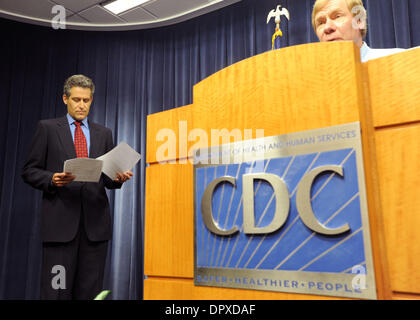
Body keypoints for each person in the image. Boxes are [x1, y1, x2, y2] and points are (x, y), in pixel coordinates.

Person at [22, 74, 133, 300]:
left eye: (86, 100)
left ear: (92, 100)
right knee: (56, 291)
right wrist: (52, 179)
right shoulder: (48, 128)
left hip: (95, 228)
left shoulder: (104, 133)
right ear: (65, 99)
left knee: (90, 293)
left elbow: (107, 178)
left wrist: (118, 178)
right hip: (60, 229)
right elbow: (29, 171)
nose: (81, 105)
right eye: (76, 100)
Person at [312, 0, 407, 62]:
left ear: (359, 21)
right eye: (321, 23)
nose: (327, 27)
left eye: (337, 16)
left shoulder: (399, 60)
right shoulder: (309, 80)